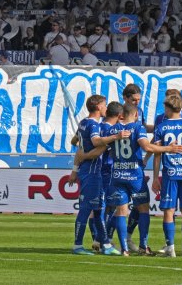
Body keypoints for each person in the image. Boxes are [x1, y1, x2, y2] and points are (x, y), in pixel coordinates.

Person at [109, 102, 182, 256]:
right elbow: (147, 147)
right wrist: (169, 148)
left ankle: (124, 249)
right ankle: (143, 246)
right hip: (134, 175)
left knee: (121, 211)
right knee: (143, 209)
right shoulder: (137, 127)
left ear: (122, 114)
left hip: (117, 174)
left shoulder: (113, 129)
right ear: (136, 115)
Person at [69, 95, 121, 256]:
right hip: (92, 172)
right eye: (104, 105)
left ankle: (105, 244)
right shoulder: (93, 124)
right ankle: (77, 245)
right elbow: (97, 141)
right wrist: (115, 137)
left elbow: (74, 141)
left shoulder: (83, 122)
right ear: (98, 106)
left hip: (90, 171)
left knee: (98, 209)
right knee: (86, 209)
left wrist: (76, 167)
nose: (106, 108)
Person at [151, 94, 182, 258]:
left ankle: (170, 248)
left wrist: (155, 177)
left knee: (169, 211)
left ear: (167, 108)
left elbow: (157, 155)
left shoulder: (161, 127)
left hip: (170, 174)